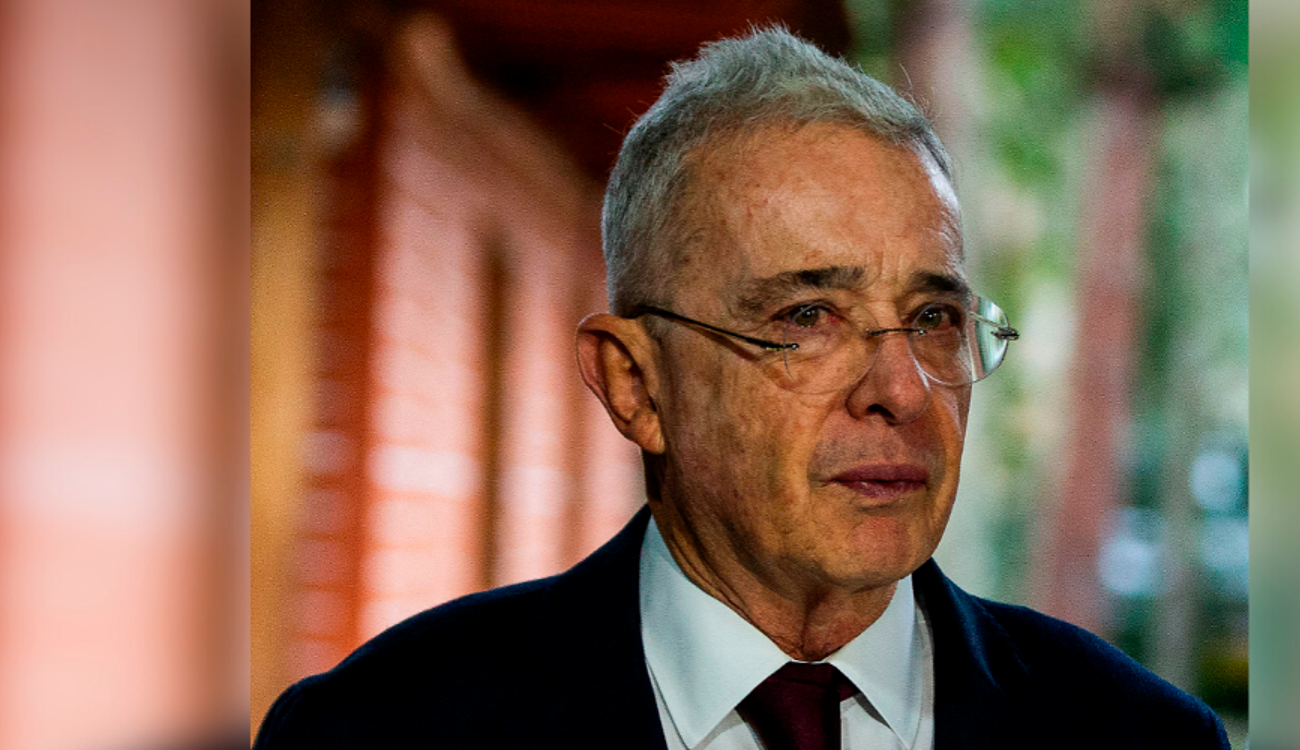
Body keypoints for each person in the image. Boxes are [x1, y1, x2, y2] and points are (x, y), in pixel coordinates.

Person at [254, 28, 1230, 750]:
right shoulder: (379, 733)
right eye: (807, 317)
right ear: (635, 386)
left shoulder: (1142, 739)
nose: (901, 389)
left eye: (934, 317)